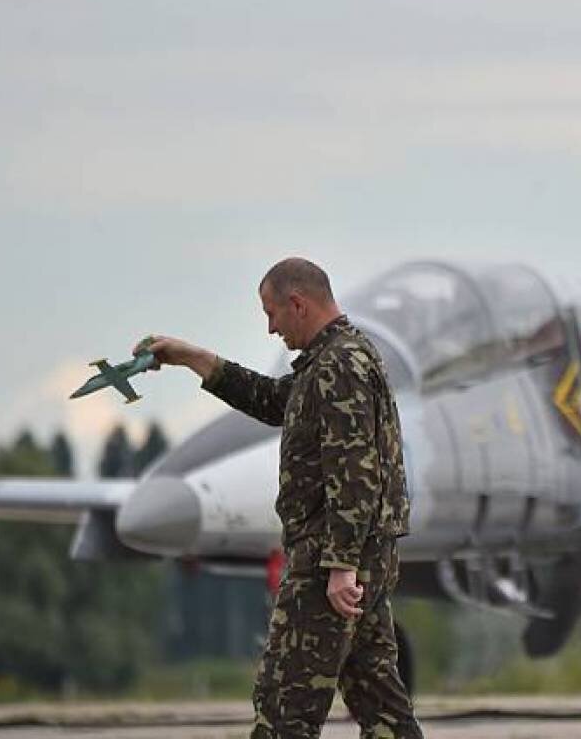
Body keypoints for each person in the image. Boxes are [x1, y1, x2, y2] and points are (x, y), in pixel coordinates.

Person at [143, 257, 424, 739]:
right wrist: (194, 358)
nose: (271, 328)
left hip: (328, 564)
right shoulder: (341, 358)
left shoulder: (338, 365)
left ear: (298, 304)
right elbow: (275, 400)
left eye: (272, 313)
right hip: (359, 560)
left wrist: (339, 567)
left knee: (284, 708)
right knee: (382, 710)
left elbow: (354, 472)